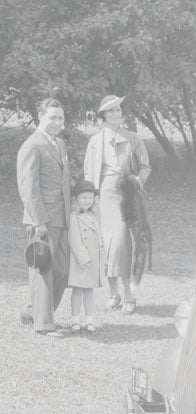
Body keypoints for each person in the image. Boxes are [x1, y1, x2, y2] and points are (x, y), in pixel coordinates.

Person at [83, 95, 150, 315]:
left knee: (121, 242)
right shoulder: (95, 141)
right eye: (111, 110)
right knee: (105, 245)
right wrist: (88, 199)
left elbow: (146, 167)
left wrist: (136, 182)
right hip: (102, 195)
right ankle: (113, 295)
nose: (115, 113)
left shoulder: (132, 138)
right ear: (103, 115)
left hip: (125, 195)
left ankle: (129, 295)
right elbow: (88, 171)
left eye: (118, 110)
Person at [17, 98, 72, 337]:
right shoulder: (32, 146)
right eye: (53, 117)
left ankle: (33, 312)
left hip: (62, 217)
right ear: (41, 116)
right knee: (43, 270)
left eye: (61, 117)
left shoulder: (59, 144)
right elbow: (28, 188)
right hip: (42, 219)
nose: (57, 122)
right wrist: (39, 220)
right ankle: (43, 324)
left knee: (62, 271)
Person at [67, 180, 103, 333]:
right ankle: (75, 319)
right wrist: (83, 259)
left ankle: (89, 319)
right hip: (80, 260)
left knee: (89, 291)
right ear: (76, 199)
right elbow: (74, 240)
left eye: (90, 197)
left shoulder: (94, 216)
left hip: (93, 260)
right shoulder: (74, 216)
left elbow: (100, 239)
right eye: (83, 198)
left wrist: (103, 259)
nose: (87, 201)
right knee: (77, 290)